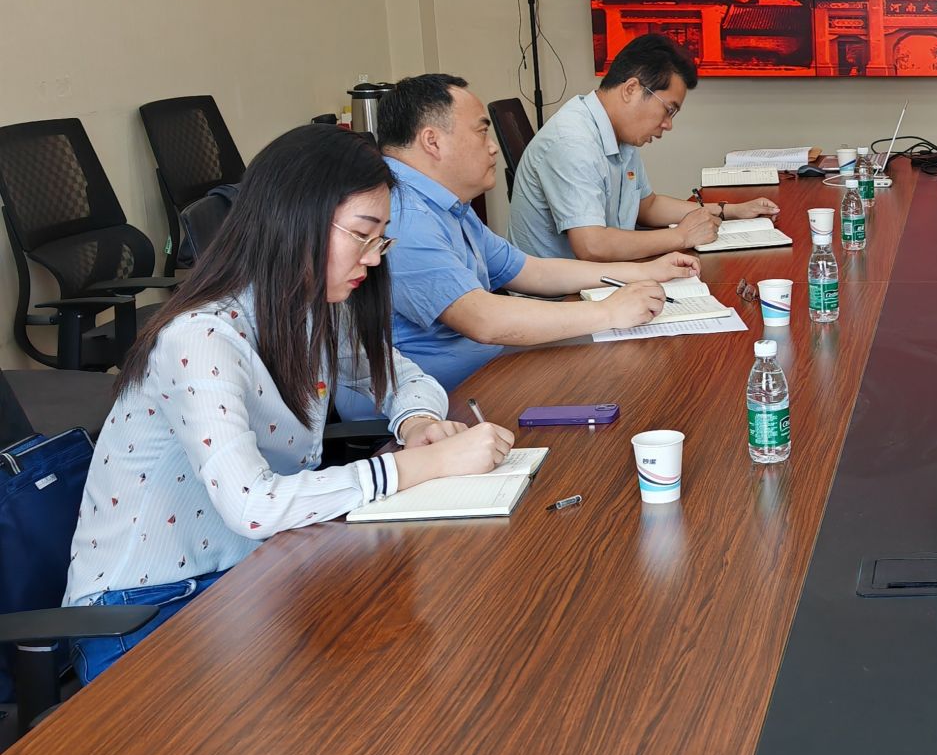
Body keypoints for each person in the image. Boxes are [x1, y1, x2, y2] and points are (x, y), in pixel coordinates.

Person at [62, 125, 514, 682]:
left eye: (381, 239)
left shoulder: (309, 309)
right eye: (362, 235)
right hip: (141, 613)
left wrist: (416, 422)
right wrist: (419, 465)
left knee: (404, 653)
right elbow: (253, 505)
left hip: (243, 580)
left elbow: (405, 378)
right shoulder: (199, 339)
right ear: (295, 220)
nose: (374, 258)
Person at [335, 74, 701, 415]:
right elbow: (483, 319)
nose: (493, 148)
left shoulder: (444, 203)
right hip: (432, 408)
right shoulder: (404, 215)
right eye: (482, 132)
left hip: (486, 375)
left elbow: (531, 271)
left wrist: (646, 271)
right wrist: (608, 313)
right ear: (433, 141)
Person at [507, 34, 778, 260]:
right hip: (560, 298)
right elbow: (592, 246)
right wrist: (681, 236)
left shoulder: (618, 133)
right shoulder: (572, 141)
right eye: (668, 110)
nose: (668, 125)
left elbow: (647, 206)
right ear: (631, 89)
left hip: (601, 276)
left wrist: (730, 211)